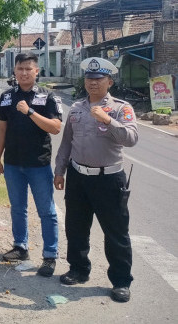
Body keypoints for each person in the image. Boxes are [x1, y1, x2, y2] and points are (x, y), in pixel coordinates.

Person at [54, 57, 138, 303]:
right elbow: (67, 142)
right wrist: (60, 171)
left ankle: (121, 281)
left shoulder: (121, 108)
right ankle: (79, 269)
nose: (93, 83)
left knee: (116, 233)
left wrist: (108, 120)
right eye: (89, 79)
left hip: (109, 179)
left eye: (99, 79)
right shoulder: (77, 108)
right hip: (78, 177)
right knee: (76, 227)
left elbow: (131, 138)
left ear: (109, 81)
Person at [0, 53, 62, 277]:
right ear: (14, 71)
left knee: (47, 211)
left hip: (38, 164)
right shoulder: (5, 97)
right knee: (18, 208)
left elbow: (54, 127)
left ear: (36, 72)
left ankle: (50, 255)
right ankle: (20, 247)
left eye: (28, 69)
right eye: (20, 69)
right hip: (13, 164)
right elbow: (2, 130)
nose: (24, 73)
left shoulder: (47, 97)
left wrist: (30, 111)